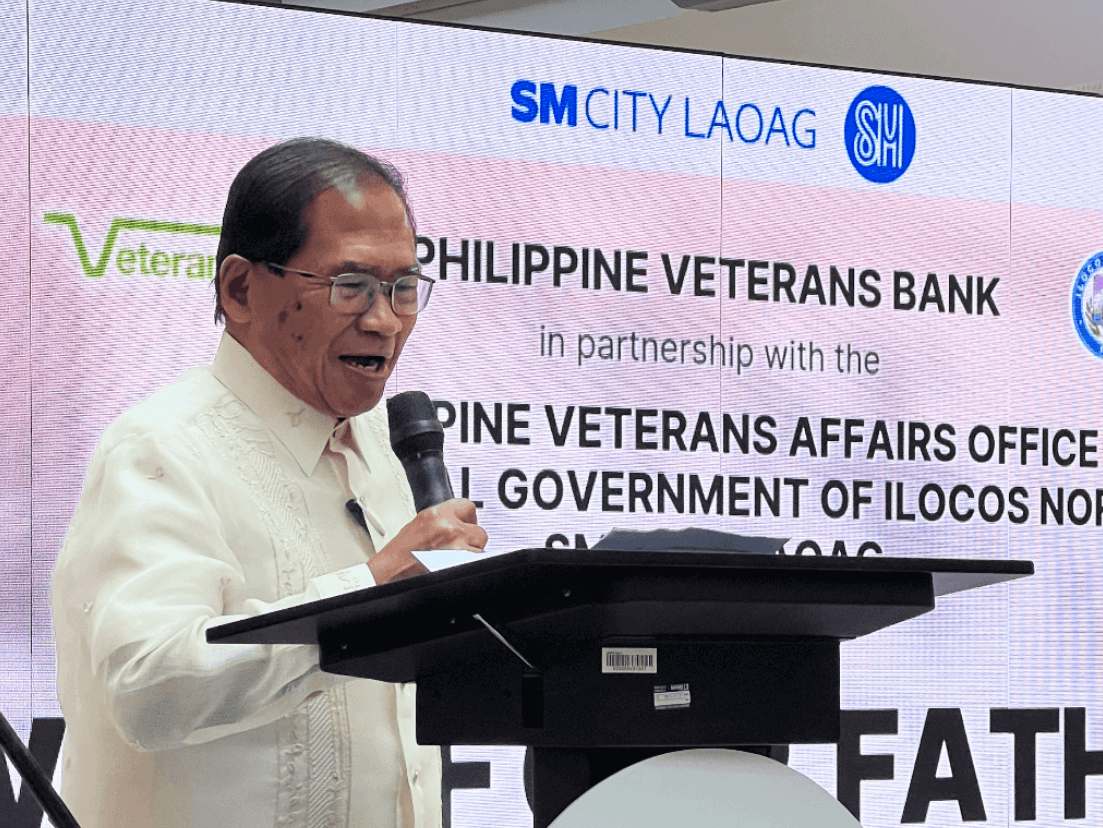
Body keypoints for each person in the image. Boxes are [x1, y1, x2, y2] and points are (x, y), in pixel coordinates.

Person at [51, 138, 486, 828]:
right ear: (241, 289)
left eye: (403, 287)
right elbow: (148, 689)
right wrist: (367, 600)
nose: (384, 320)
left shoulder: (386, 447)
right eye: (350, 285)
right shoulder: (163, 447)